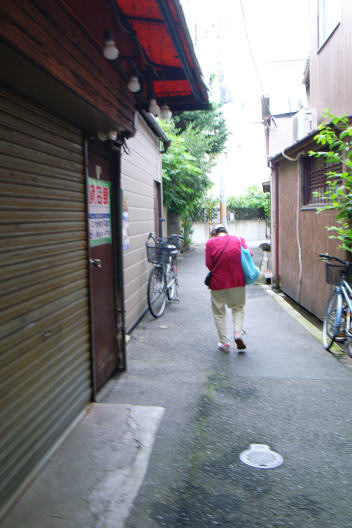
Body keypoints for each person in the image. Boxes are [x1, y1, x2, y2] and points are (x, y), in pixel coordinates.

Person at [205, 224, 251, 353]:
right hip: (237, 281)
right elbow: (249, 255)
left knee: (219, 313)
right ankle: (237, 333)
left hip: (218, 283)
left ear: (214, 234)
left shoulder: (210, 243)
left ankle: (224, 343)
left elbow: (208, 264)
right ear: (226, 232)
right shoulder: (238, 239)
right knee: (237, 308)